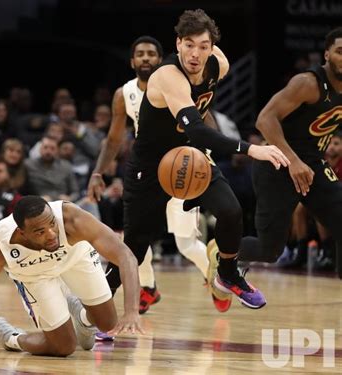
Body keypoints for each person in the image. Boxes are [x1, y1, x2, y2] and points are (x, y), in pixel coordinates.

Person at [103, 9, 290, 311]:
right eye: (188, 44)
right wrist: (251, 149)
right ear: (177, 44)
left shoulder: (219, 65)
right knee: (136, 248)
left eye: (203, 46)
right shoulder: (167, 76)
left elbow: (198, 139)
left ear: (212, 48)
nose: (195, 53)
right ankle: (94, 302)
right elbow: (200, 132)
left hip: (189, 159)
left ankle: (227, 275)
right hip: (151, 167)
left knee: (231, 212)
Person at [88, 35, 214, 314]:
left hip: (180, 168)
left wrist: (209, 154)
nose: (146, 58)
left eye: (151, 54)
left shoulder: (179, 82)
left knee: (185, 244)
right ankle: (148, 288)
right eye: (140, 54)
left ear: (161, 59)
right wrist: (98, 171)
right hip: (147, 171)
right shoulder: (124, 94)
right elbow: (113, 139)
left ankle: (214, 278)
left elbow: (205, 118)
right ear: (132, 61)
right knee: (136, 237)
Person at [0, 195, 143, 358]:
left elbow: (126, 257)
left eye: (51, 224)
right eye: (40, 231)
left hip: (75, 258)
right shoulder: (2, 245)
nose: (51, 234)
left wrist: (132, 311)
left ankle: (82, 317)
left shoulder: (73, 219)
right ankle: (12, 338)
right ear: (22, 233)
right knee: (64, 347)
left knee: (107, 323)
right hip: (34, 274)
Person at [236, 27, 342, 279]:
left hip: (312, 164)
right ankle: (224, 249)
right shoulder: (307, 83)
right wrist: (293, 161)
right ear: (327, 55)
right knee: (269, 249)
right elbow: (264, 120)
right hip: (277, 162)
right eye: (340, 51)